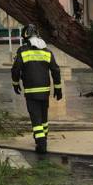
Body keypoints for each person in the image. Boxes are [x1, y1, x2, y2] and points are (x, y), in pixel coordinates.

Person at [11, 23, 63, 154]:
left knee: (36, 119)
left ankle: (41, 145)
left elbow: (15, 69)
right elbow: (56, 70)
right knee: (43, 117)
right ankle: (43, 137)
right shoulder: (47, 52)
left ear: (26, 37)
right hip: (45, 91)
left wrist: (15, 83)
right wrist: (58, 88)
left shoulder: (22, 51)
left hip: (31, 92)